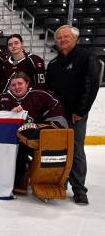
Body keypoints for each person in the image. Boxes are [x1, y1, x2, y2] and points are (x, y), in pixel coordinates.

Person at [46, 25, 101, 205]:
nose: (62, 40)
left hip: (76, 115)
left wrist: (81, 111)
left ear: (75, 38)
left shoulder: (86, 58)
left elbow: (91, 86)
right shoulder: (53, 64)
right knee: (58, 150)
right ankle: (60, 183)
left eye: (66, 37)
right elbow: (49, 91)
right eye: (59, 38)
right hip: (57, 115)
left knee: (76, 150)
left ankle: (79, 189)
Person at [0, 72, 68, 194]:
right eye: (13, 85)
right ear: (9, 86)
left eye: (20, 83)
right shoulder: (1, 98)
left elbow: (57, 114)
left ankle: (53, 179)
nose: (17, 87)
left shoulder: (41, 95)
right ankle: (16, 178)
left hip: (36, 139)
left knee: (51, 148)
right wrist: (8, 113)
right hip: (9, 140)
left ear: (27, 84)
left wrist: (40, 130)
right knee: (16, 149)